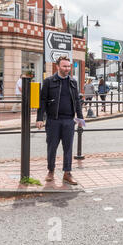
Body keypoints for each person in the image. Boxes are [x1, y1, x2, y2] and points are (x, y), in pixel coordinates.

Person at [36, 56, 84, 185]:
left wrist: (80, 118)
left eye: (68, 66)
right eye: (64, 66)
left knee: (68, 148)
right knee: (52, 147)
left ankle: (67, 173)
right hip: (53, 120)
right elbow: (42, 101)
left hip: (69, 120)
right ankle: (51, 171)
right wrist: (40, 118)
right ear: (58, 67)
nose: (67, 69)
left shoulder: (73, 82)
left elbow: (77, 101)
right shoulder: (49, 81)